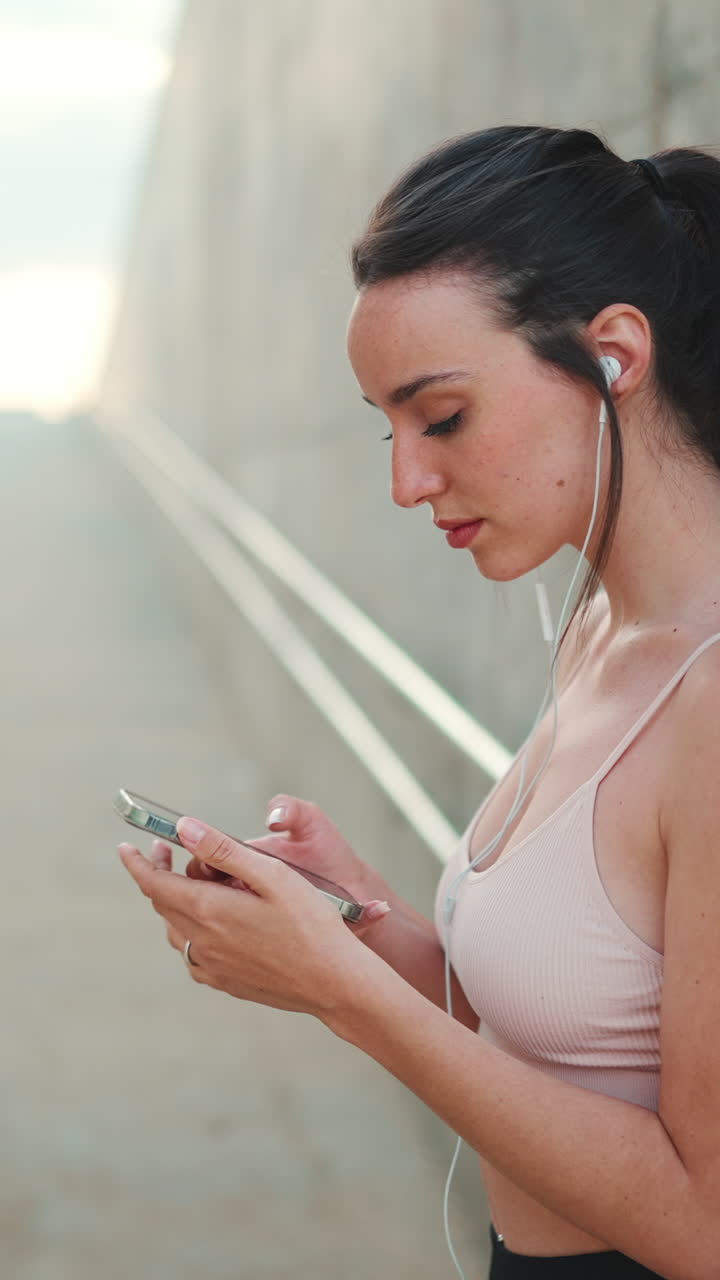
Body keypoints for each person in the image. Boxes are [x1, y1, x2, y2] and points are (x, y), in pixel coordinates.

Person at [119, 125, 720, 1279]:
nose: (406, 480)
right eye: (387, 427)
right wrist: (360, 925)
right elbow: (570, 1039)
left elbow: (702, 1224)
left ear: (614, 355)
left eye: (440, 417)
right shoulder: (599, 619)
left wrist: (341, 993)